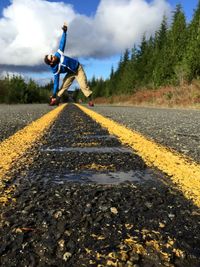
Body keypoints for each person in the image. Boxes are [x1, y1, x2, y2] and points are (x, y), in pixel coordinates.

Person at [44, 23, 94, 106]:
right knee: (64, 86)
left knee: (83, 86)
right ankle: (56, 100)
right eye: (52, 58)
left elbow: (62, 43)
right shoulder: (55, 70)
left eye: (52, 55)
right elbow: (56, 83)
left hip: (78, 69)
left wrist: (64, 32)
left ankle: (90, 100)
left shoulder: (58, 54)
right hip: (70, 73)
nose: (53, 56)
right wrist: (53, 94)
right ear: (51, 63)